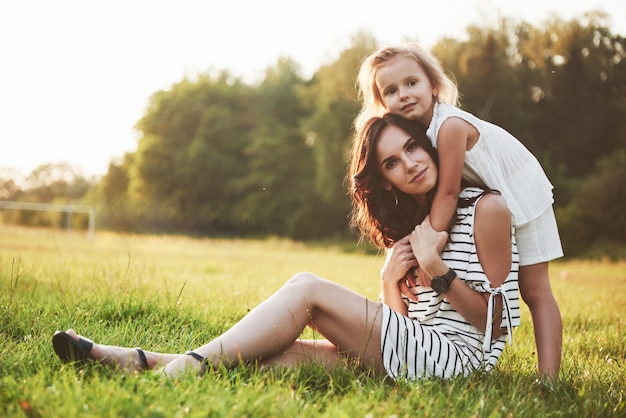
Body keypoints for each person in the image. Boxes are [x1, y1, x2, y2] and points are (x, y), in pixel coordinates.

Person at [52, 114, 519, 381]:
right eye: (393, 163)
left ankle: (183, 368)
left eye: (414, 147)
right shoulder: (413, 228)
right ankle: (136, 361)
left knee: (306, 288)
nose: (411, 164)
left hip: (461, 363)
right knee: (273, 356)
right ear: (387, 180)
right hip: (416, 355)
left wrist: (438, 271)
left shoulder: (488, 209)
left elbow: (498, 326)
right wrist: (387, 281)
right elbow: (406, 323)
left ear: (432, 145)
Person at [355, 43, 563, 379]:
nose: (404, 94)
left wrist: (429, 250)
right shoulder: (417, 134)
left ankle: (550, 379)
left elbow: (449, 193)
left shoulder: (449, 126)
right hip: (495, 199)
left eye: (412, 83)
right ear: (382, 103)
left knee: (536, 291)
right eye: (391, 90)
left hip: (523, 193)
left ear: (433, 84)